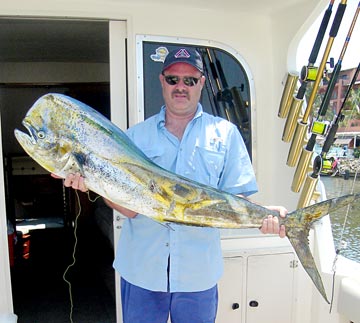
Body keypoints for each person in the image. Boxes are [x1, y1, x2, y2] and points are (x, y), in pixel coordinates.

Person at [55, 47, 287, 323]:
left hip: (197, 276)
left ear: (201, 83)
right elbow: (129, 211)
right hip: (142, 272)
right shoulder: (133, 137)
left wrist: (265, 214)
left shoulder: (225, 135)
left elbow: (234, 201)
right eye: (173, 79)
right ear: (162, 81)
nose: (181, 87)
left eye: (189, 80)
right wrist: (93, 182)